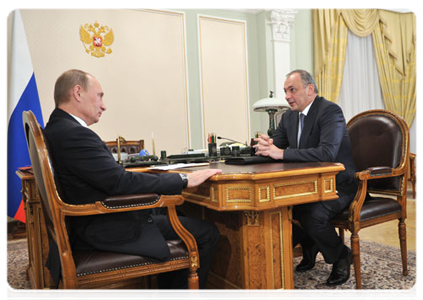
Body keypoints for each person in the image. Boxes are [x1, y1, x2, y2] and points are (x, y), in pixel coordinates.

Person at [44, 69, 222, 300]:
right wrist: (183, 179)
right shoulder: (75, 134)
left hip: (88, 222)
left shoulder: (58, 128)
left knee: (171, 211)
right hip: (103, 228)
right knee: (207, 232)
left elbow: (110, 179)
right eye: (99, 96)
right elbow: (120, 181)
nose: (104, 105)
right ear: (78, 92)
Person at [254, 69, 358, 286]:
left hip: (338, 184)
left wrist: (280, 152)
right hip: (307, 185)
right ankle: (309, 245)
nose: (287, 96)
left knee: (310, 214)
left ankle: (341, 255)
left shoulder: (330, 111)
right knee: (284, 208)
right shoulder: (288, 117)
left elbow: (326, 153)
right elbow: (277, 146)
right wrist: (262, 146)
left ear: (310, 89)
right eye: (285, 91)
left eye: (293, 89)